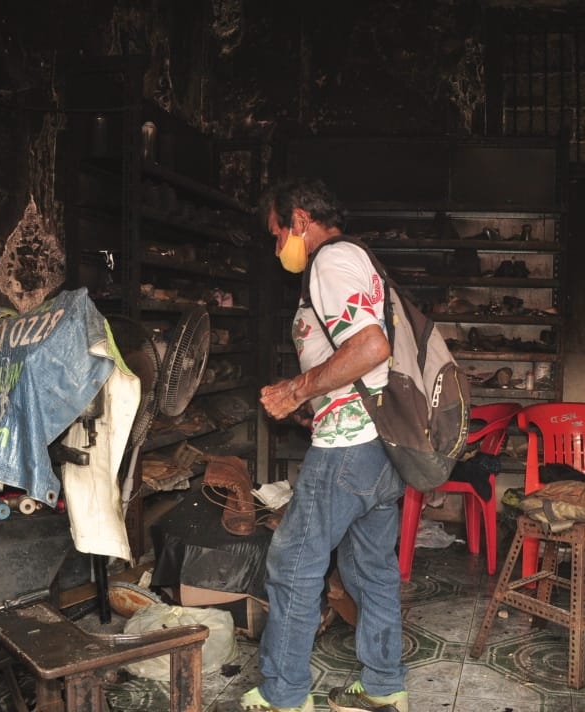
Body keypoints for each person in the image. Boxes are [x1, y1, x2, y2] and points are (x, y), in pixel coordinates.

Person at [237, 179, 409, 712]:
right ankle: (385, 688)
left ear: (300, 220)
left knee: (294, 564)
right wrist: (315, 399)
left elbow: (370, 346)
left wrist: (296, 391)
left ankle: (284, 695)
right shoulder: (359, 261)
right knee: (370, 568)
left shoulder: (331, 263)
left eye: (277, 234)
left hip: (350, 447)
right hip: (383, 445)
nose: (277, 248)